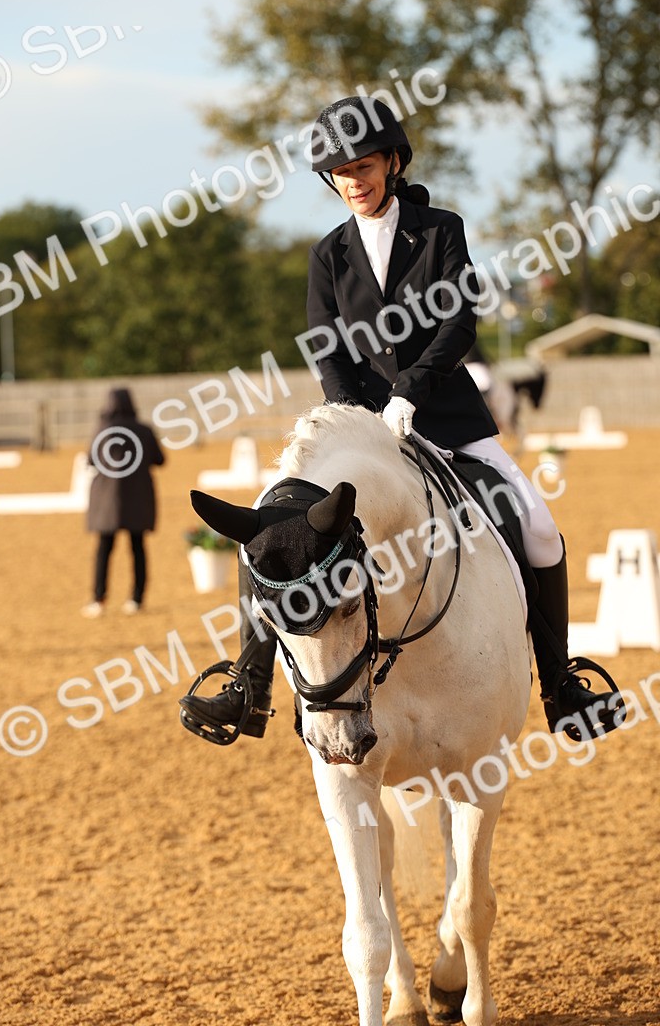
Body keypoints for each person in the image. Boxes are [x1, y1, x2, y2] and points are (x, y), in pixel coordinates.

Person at [180, 96, 620, 741]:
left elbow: (458, 322)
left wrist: (410, 390)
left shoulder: (441, 230)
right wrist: (353, 415)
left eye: (364, 166)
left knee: (541, 529)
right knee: (271, 534)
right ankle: (248, 685)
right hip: (359, 427)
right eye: (341, 172)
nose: (354, 182)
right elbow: (327, 344)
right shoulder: (327, 254)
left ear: (392, 161)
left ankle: (560, 685)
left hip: (446, 415)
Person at [82, 388, 165, 618]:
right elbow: (160, 459)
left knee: (104, 548)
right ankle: (136, 598)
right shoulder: (144, 430)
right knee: (137, 547)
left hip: (107, 499)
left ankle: (98, 598)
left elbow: (91, 460)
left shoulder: (102, 430)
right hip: (137, 496)